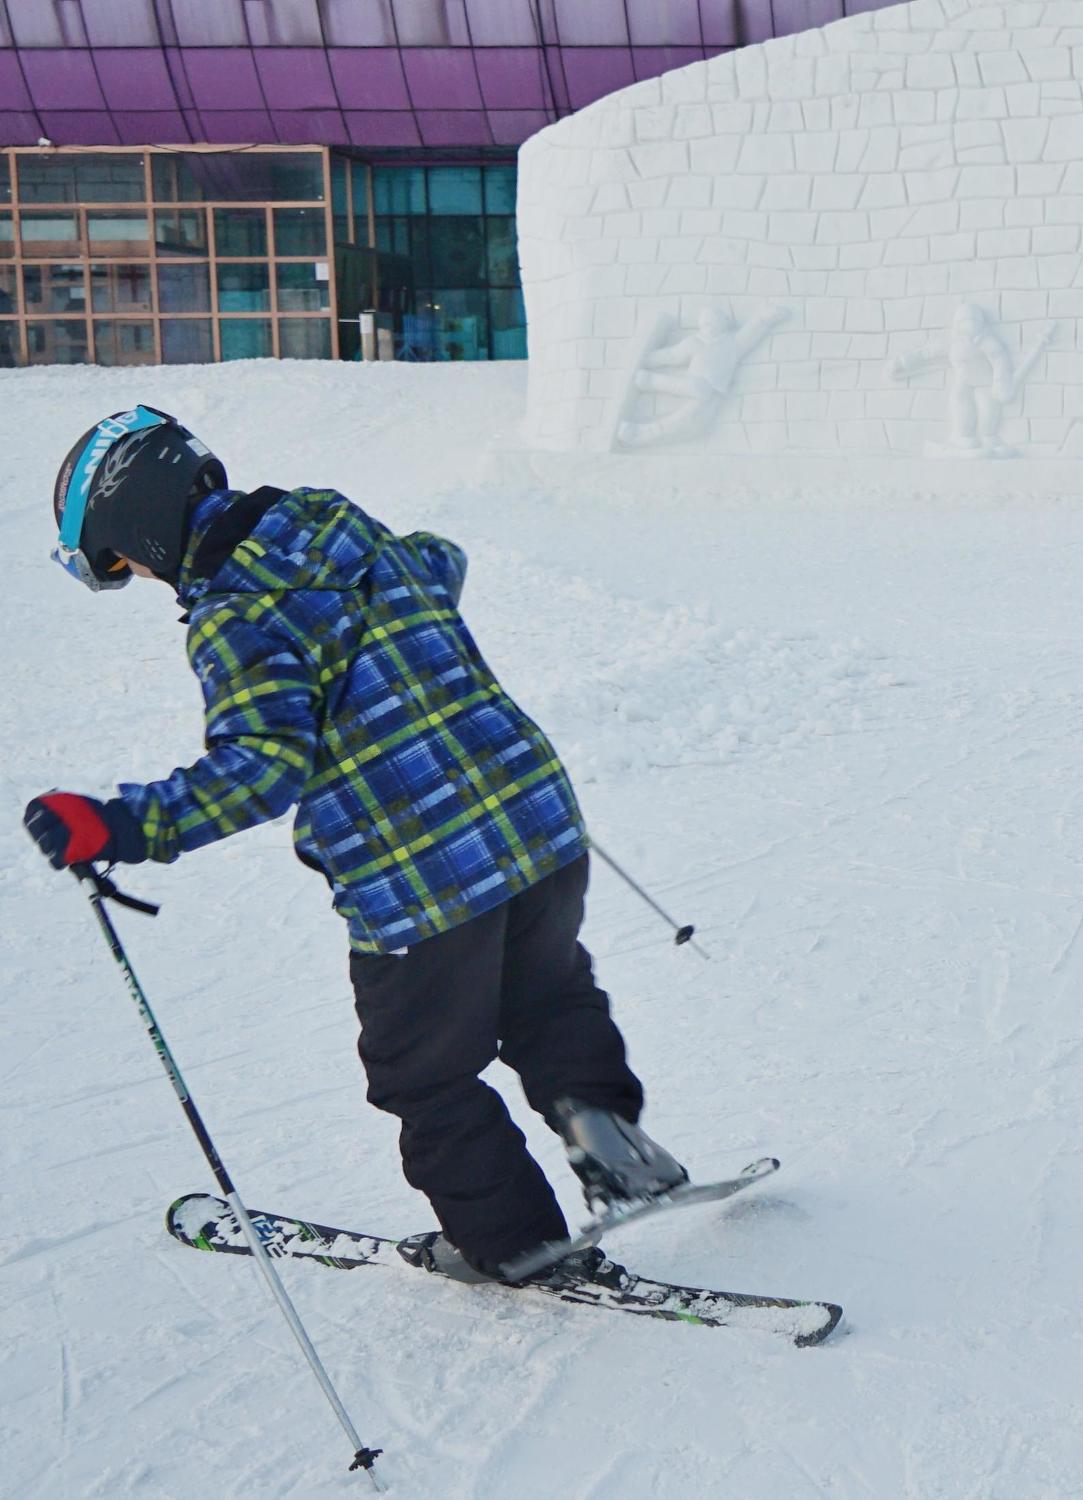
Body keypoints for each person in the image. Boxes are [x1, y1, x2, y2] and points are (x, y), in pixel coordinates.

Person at [24, 406, 690, 1288]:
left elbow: (263, 769)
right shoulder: (334, 518)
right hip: (537, 827)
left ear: (140, 518)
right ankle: (614, 1145)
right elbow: (439, 560)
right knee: (546, 1000)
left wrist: (116, 825)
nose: (141, 574)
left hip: (420, 880)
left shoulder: (234, 616)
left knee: (423, 1073)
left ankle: (515, 1241)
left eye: (124, 558)